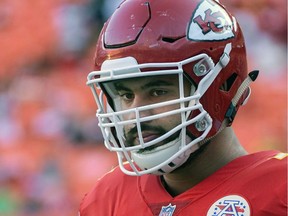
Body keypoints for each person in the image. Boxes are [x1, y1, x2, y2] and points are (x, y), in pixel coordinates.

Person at [79, 0, 287, 215]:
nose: (135, 115)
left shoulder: (279, 191)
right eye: (126, 95)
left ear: (223, 84)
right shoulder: (106, 198)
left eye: (158, 92)